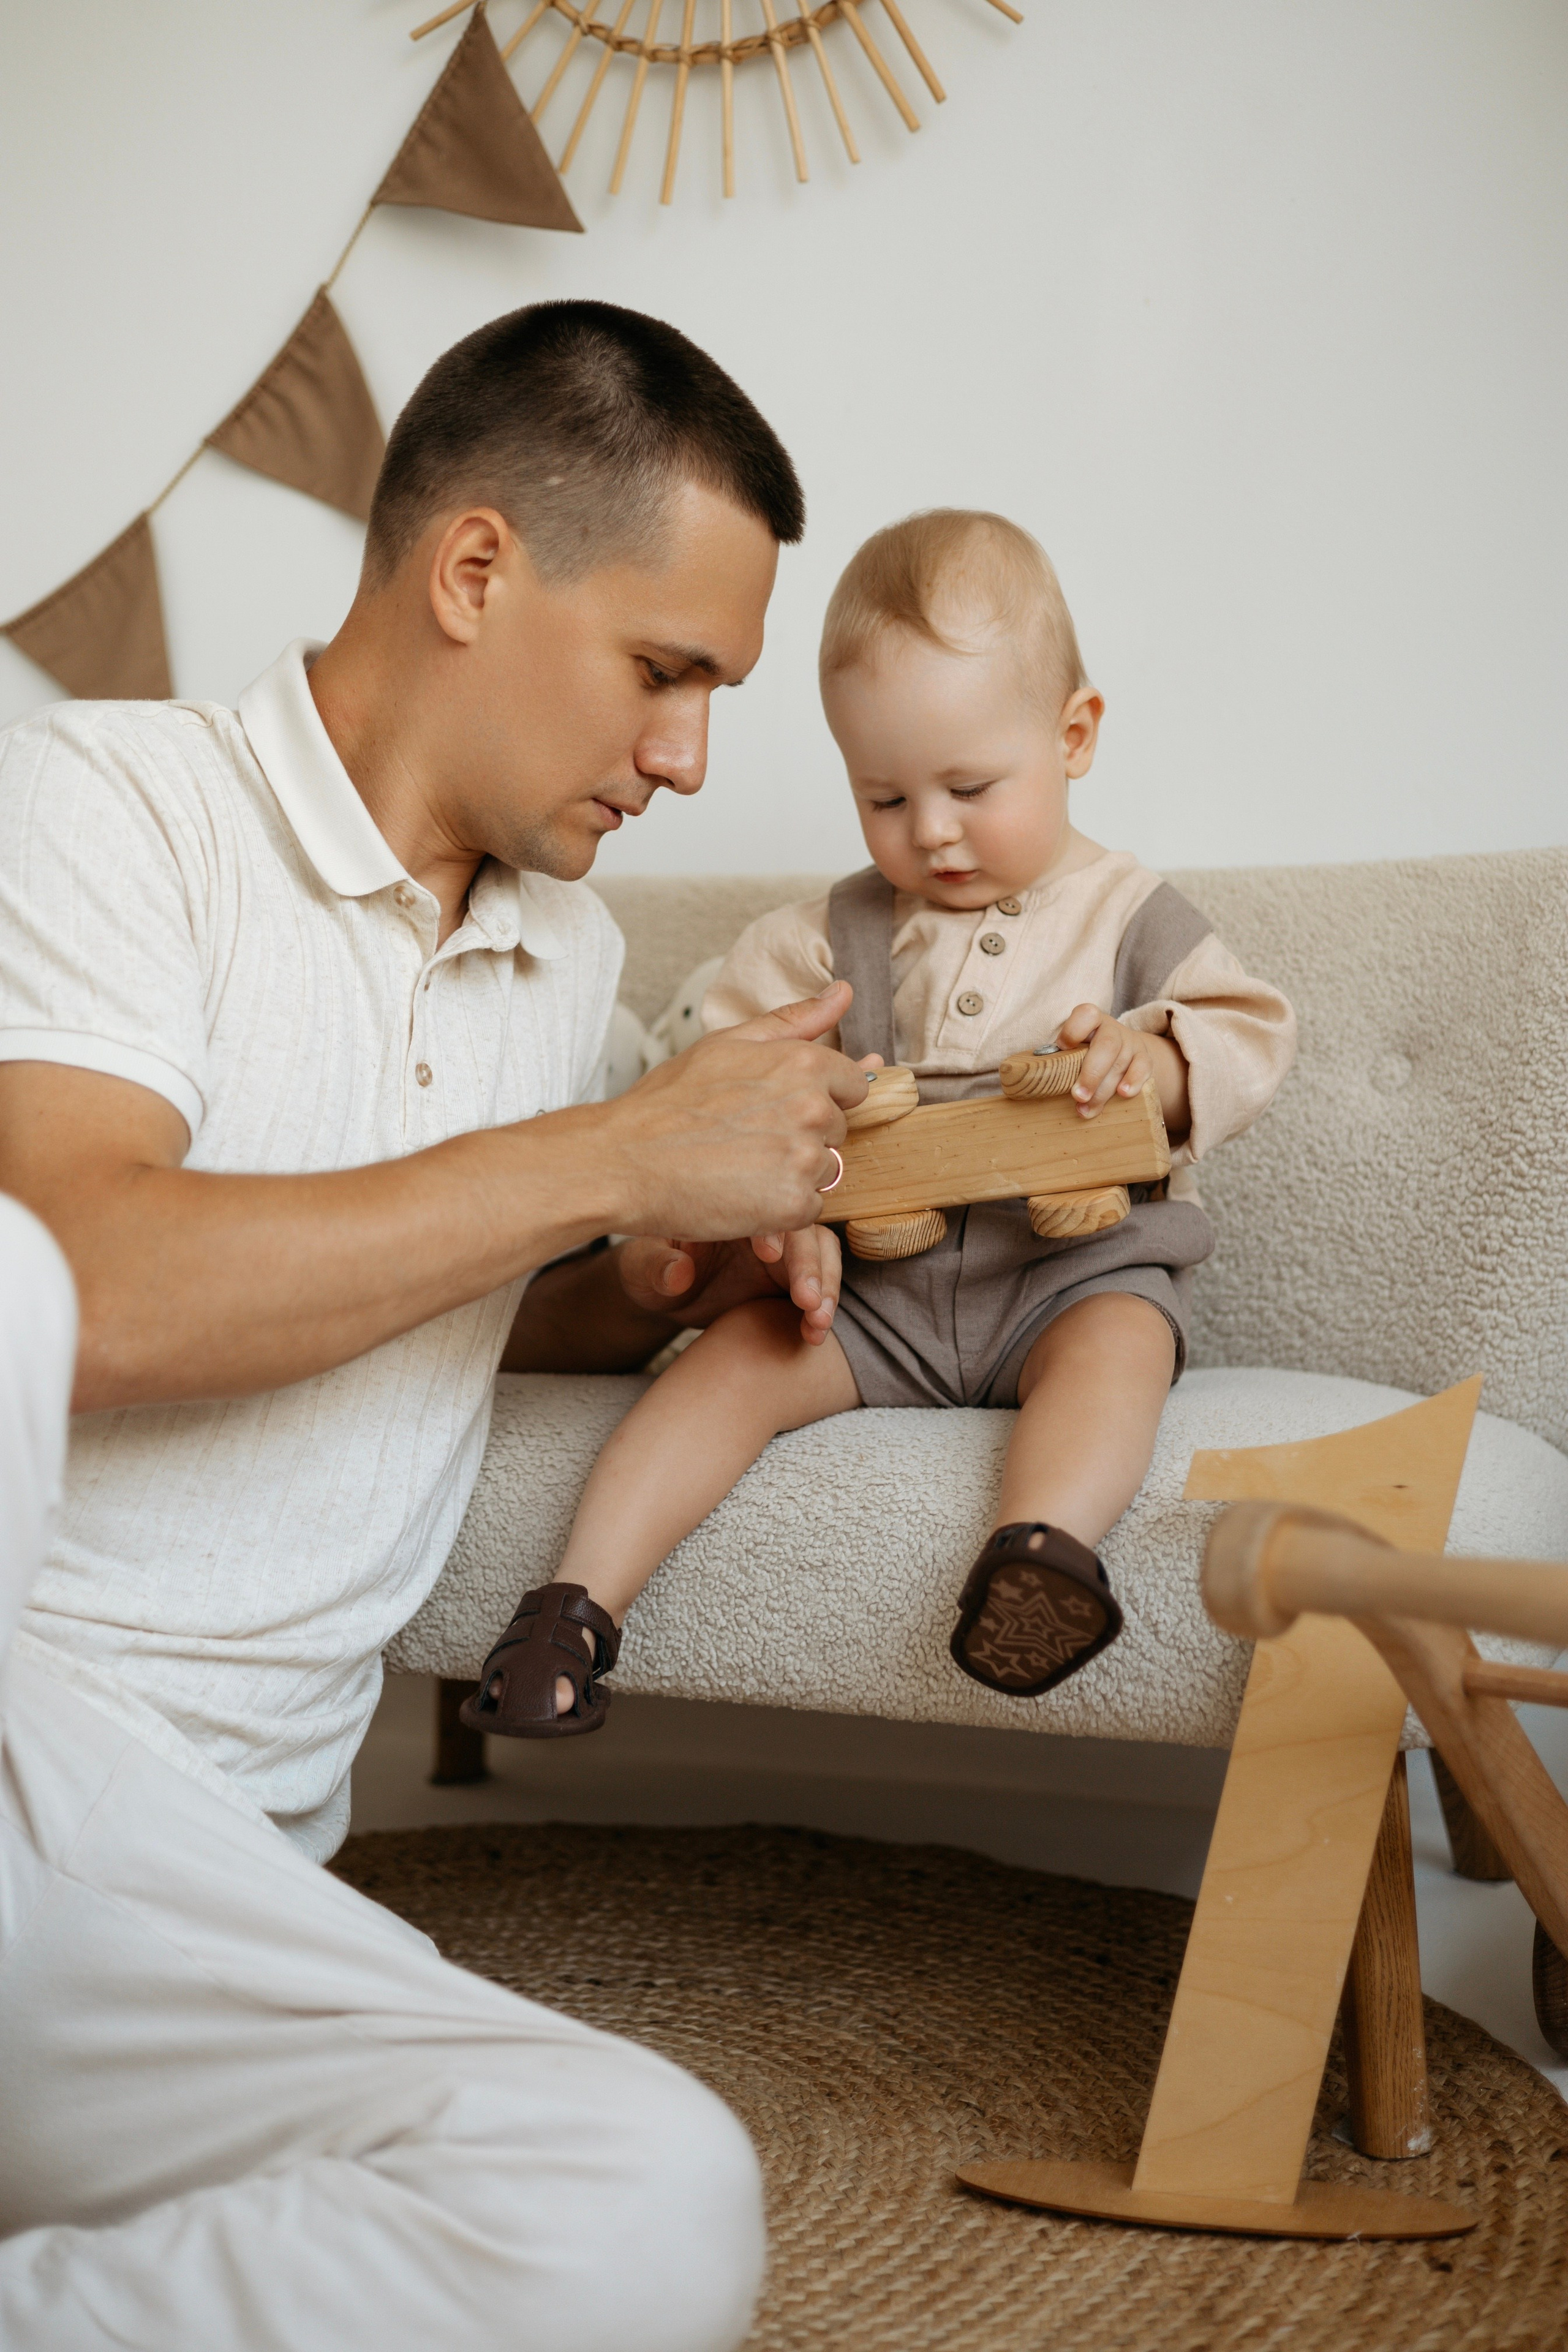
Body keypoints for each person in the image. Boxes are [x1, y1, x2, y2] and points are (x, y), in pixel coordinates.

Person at [0, 300, 868, 2349]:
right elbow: (83, 1284)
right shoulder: (108, 801)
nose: (688, 757)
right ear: (475, 571)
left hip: (207, 1891)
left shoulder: (563, 948)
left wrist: (653, 1274)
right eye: (667, 673)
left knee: (649, 2201)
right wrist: (614, 1158)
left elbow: (431, 1281)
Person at [462, 509, 1296, 1737]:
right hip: (870, 1297)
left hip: (1064, 1270)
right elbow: (725, 1070)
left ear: (1072, 737)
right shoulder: (824, 939)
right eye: (884, 797)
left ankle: (1040, 1558)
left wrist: (1151, 1061)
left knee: (1120, 1348)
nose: (932, 830)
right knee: (724, 1369)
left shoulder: (1128, 916)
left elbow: (1245, 1030)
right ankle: (571, 1610)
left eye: (970, 787)